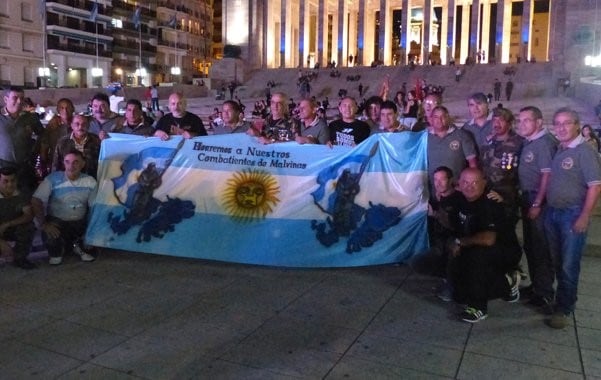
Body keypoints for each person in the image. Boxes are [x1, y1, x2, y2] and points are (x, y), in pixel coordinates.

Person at [543, 107, 601, 329]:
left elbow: (595, 187)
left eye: (567, 123)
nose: (561, 127)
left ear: (577, 125)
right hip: (554, 213)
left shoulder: (584, 151)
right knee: (558, 261)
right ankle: (562, 299)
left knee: (568, 264)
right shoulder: (560, 149)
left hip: (572, 214)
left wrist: (585, 216)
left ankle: (564, 307)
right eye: (557, 123)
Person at [447, 168, 523, 323]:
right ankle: (505, 284)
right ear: (459, 184)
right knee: (459, 295)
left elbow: (488, 239)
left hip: (504, 251)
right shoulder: (460, 200)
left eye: (475, 182)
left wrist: (460, 242)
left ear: (484, 183)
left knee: (476, 257)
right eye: (466, 182)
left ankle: (479, 307)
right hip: (478, 247)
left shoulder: (490, 202)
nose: (470, 186)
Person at [516, 106, 557, 313]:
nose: (521, 124)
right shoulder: (530, 142)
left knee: (541, 247)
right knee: (531, 245)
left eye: (526, 120)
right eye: (520, 120)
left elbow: (546, 176)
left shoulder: (544, 144)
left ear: (539, 122)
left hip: (537, 199)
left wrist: (537, 203)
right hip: (527, 197)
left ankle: (545, 292)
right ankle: (537, 286)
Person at [32, 150, 97, 265]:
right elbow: (36, 200)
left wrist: (91, 230)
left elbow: (94, 208)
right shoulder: (52, 179)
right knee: (54, 247)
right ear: (63, 163)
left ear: (83, 164)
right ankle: (62, 249)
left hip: (79, 223)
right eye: (67, 162)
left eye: (76, 162)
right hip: (57, 222)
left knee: (92, 246)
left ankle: (76, 245)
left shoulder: (90, 181)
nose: (71, 166)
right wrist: (43, 224)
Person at [479, 107, 524, 223]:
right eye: (494, 120)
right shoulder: (488, 141)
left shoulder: (519, 143)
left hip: (507, 198)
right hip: (487, 195)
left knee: (506, 232)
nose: (496, 124)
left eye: (501, 120)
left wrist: (511, 197)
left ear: (509, 123)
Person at [0, 86, 44, 194]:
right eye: (15, 98)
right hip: (4, 167)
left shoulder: (30, 117)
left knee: (27, 196)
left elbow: (43, 135)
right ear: (5, 99)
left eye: (22, 98)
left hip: (25, 166)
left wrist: (35, 153)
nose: (19, 101)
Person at [427, 106, 478, 184]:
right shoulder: (425, 138)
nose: (439, 120)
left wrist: (471, 183)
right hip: (432, 190)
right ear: (431, 119)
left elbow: (472, 163)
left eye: (443, 117)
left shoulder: (462, 135)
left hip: (456, 189)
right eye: (436, 117)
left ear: (448, 118)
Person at [0, 167, 36, 269]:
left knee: (28, 227)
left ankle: (20, 258)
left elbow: (28, 215)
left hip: (11, 227)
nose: (10, 184)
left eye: (13, 181)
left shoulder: (22, 193)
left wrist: (7, 224)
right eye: (5, 181)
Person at [53, 114, 101, 179]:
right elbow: (56, 165)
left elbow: (102, 163)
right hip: (66, 181)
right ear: (72, 125)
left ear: (88, 126)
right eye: (77, 124)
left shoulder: (97, 141)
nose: (80, 127)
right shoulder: (63, 142)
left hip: (90, 180)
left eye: (84, 124)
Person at [40, 98, 74, 177]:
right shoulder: (52, 126)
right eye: (62, 108)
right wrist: (43, 166)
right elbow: (44, 146)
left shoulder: (77, 124)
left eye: (68, 107)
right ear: (58, 110)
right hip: (56, 164)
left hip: (74, 164)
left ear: (73, 109)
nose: (65, 111)